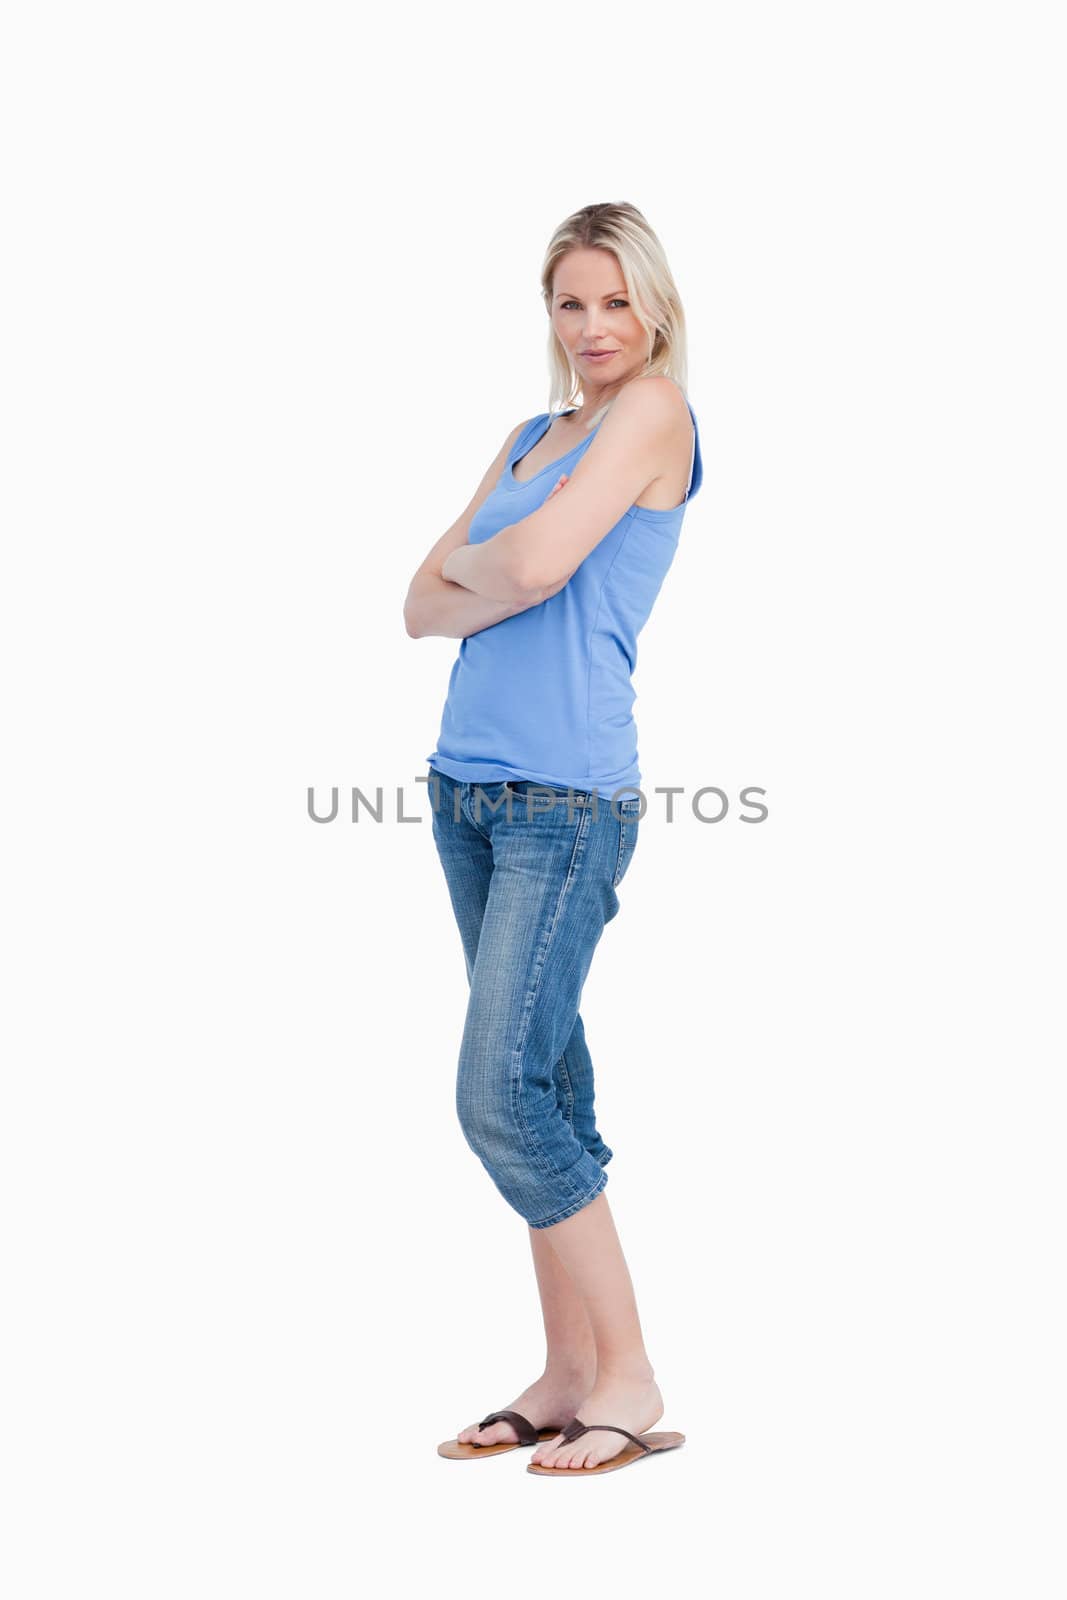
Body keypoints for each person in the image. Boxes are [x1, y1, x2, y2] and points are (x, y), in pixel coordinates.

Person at [404, 202, 703, 1475]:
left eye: (615, 301)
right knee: (545, 1084)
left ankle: (626, 1371)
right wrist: (495, 565)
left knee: (497, 1094)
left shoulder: (655, 412)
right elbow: (416, 601)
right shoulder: (532, 436)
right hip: (463, 788)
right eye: (571, 303)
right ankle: (565, 1368)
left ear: (654, 308)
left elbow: (519, 575)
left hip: (564, 800)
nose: (593, 328)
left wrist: (497, 566)